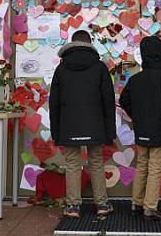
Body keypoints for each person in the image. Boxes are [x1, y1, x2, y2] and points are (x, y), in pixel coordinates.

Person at [49, 30, 116, 218]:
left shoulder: (61, 69)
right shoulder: (100, 67)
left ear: (72, 44)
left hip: (69, 124)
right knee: (96, 162)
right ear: (90, 44)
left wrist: (56, 132)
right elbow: (108, 101)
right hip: (96, 123)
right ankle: (102, 204)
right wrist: (110, 131)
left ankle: (72, 206)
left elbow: (54, 102)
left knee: (72, 163)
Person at [119, 36, 161, 221]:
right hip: (160, 130)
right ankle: (150, 209)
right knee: (155, 168)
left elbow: (124, 101)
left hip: (141, 129)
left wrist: (137, 116)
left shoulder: (135, 79)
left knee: (141, 166)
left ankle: (136, 203)